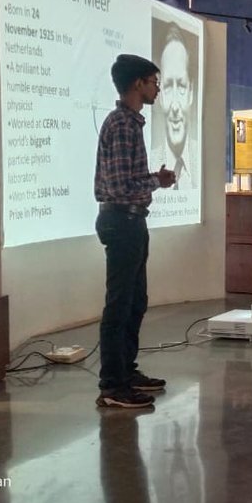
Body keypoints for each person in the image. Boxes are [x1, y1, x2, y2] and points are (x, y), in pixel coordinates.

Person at [93, 54, 176, 408]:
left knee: (135, 302)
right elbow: (120, 185)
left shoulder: (129, 123)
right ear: (138, 84)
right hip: (122, 221)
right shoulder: (123, 125)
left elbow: (126, 182)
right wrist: (157, 181)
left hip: (131, 220)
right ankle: (112, 385)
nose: (157, 88)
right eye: (154, 81)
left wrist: (153, 181)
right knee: (120, 304)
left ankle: (126, 371)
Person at [151, 23, 198, 190]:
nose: (176, 106)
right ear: (160, 93)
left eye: (182, 87)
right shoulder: (150, 160)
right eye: (169, 87)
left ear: (191, 92)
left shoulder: (202, 160)